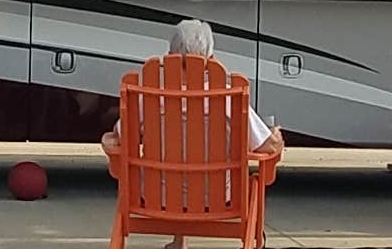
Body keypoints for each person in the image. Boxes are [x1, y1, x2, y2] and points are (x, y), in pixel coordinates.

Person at [102, 18, 285, 173]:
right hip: (219, 202)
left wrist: (107, 138)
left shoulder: (146, 97)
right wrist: (275, 135)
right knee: (253, 184)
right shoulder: (229, 98)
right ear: (211, 59)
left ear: (168, 57)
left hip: (158, 199)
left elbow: (118, 139)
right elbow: (268, 147)